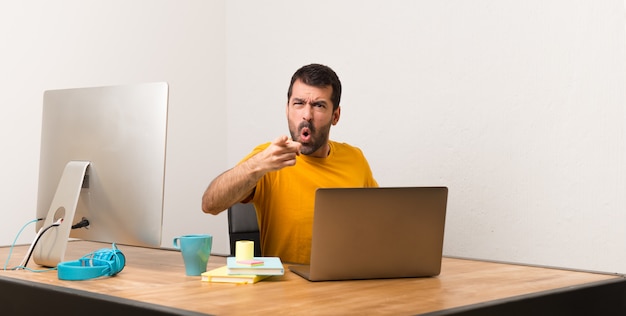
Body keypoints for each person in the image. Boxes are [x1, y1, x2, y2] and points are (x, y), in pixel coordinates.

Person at [202, 63, 378, 264]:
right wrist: (257, 166)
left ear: (335, 115)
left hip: (346, 285)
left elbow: (379, 224)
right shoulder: (268, 158)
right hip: (285, 288)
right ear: (287, 109)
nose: (307, 115)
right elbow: (210, 204)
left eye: (319, 105)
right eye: (299, 103)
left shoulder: (355, 159)